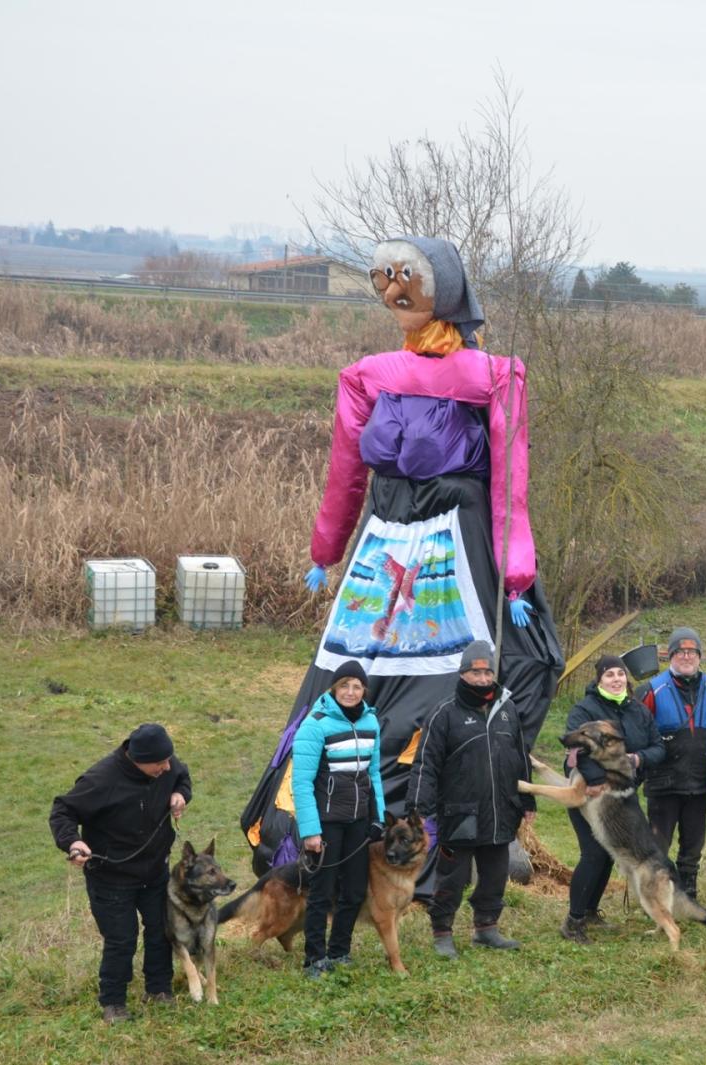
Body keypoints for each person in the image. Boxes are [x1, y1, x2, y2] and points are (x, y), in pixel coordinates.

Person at [240, 236, 562, 902]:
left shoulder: (492, 374)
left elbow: (511, 479)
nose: (393, 289)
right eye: (383, 278)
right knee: (357, 674)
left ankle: (476, 819)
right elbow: (345, 469)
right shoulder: (368, 374)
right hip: (384, 543)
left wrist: (517, 573)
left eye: (406, 277)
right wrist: (326, 551)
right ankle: (333, 824)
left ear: (440, 286)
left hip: (455, 534)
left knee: (518, 659)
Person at [49, 723, 191, 1024]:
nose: (167, 767)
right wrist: (72, 842)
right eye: (159, 764)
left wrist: (181, 794)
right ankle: (113, 1002)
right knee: (121, 939)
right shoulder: (101, 780)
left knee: (160, 930)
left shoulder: (166, 764)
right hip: (111, 878)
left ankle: (159, 989)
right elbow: (62, 810)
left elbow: (181, 776)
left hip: (154, 871)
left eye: (168, 760)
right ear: (138, 760)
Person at [409, 641, 533, 958]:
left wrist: (528, 801)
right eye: (475, 671)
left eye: (487, 671)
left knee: (494, 875)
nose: (481, 678)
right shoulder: (444, 713)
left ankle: (486, 929)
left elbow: (521, 756)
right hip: (459, 812)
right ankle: (442, 932)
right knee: (453, 877)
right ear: (463, 674)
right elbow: (425, 763)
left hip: (501, 808)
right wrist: (419, 809)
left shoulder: (507, 709)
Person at [560, 654, 666, 943]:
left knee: (609, 854)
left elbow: (658, 747)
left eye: (620, 674)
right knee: (593, 853)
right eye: (610, 675)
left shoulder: (638, 711)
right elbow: (576, 751)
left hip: (622, 796)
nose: (616, 679)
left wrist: (638, 758)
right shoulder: (586, 709)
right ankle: (573, 921)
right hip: (590, 793)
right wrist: (596, 780)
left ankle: (591, 911)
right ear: (599, 679)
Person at [290, 660, 385, 977]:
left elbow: (374, 774)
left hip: (357, 819)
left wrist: (378, 817)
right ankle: (314, 958)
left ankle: (339, 951)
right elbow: (301, 783)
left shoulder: (371, 722)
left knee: (355, 891)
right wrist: (311, 831)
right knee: (322, 891)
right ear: (334, 688)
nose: (350, 691)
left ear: (364, 691)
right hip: (326, 821)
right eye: (344, 685)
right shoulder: (315, 724)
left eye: (357, 687)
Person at [635, 627, 706, 903]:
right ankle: (657, 897)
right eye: (680, 652)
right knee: (658, 847)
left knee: (693, 846)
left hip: (697, 784)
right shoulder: (651, 690)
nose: (686, 656)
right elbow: (637, 736)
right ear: (670, 656)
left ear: (699, 656)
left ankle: (687, 895)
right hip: (663, 785)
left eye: (692, 652)